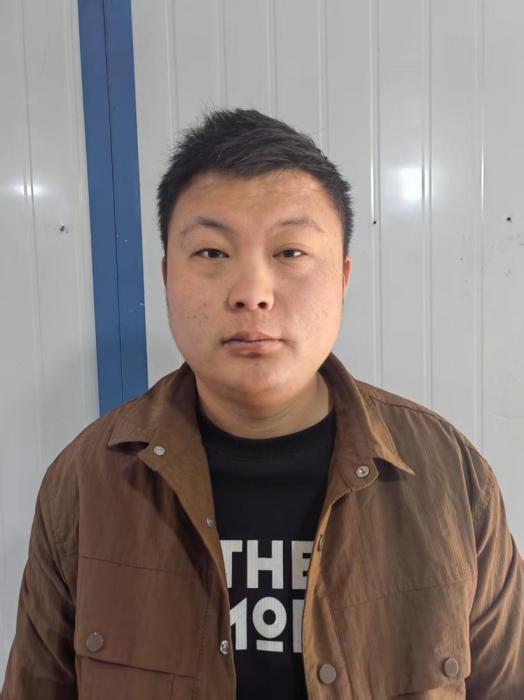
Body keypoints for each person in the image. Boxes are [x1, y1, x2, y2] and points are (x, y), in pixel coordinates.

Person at [2, 108, 522, 699]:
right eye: (212, 253)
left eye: (290, 252)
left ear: (343, 278)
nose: (252, 293)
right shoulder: (86, 480)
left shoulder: (450, 475)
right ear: (167, 276)